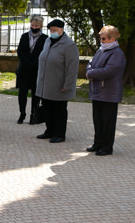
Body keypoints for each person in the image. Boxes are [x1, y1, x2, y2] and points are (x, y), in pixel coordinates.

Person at [35, 19, 79, 143]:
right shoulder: (48, 41)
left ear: (61, 30)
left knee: (59, 110)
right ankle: (49, 130)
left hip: (59, 84)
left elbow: (72, 68)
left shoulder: (69, 45)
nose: (52, 32)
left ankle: (59, 134)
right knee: (47, 108)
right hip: (45, 83)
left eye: (54, 30)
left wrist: (68, 85)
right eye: (50, 30)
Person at [85, 25, 126, 156]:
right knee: (98, 120)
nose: (101, 41)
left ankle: (107, 147)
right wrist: (90, 71)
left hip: (109, 93)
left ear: (112, 39)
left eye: (103, 39)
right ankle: (98, 143)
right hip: (97, 91)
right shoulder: (101, 50)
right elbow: (90, 64)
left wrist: (91, 74)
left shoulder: (117, 53)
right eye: (100, 39)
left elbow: (109, 71)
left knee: (108, 121)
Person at [15, 15, 48, 124]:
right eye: (32, 25)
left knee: (35, 94)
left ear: (40, 26)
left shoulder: (45, 38)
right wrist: (26, 62)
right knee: (22, 93)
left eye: (36, 25)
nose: (34, 27)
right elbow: (20, 51)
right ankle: (22, 113)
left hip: (36, 70)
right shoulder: (24, 36)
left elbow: (43, 54)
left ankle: (33, 114)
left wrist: (33, 64)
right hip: (24, 69)